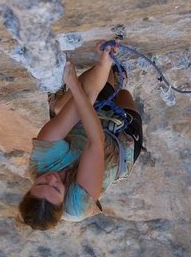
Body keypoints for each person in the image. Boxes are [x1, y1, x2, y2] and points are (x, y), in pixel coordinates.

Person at [18, 42, 144, 230]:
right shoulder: (78, 205)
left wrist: (100, 66)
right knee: (122, 94)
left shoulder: (40, 162)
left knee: (63, 106)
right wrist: (74, 86)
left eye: (42, 183)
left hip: (78, 133)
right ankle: (114, 82)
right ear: (63, 202)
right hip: (115, 143)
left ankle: (110, 78)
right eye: (56, 188)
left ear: (30, 188)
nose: (51, 178)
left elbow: (86, 96)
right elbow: (96, 142)